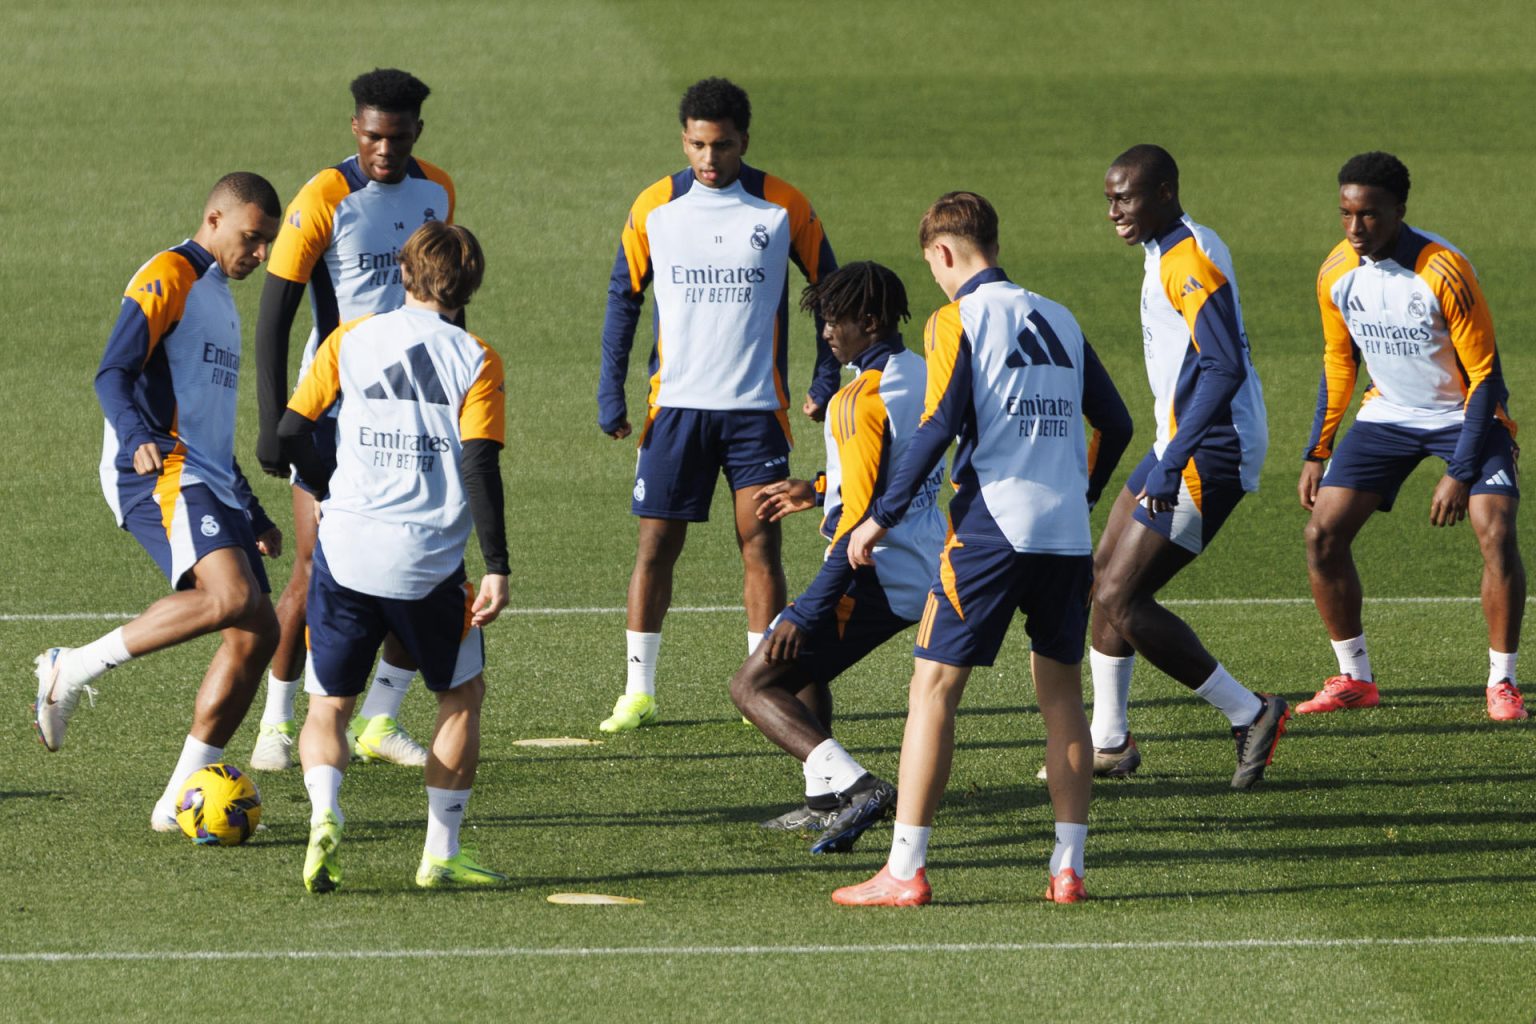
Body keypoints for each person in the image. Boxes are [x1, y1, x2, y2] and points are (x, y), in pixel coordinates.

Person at [831, 192, 1132, 907]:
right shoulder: (1059, 315)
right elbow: (1115, 424)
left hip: (992, 531)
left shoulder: (954, 319)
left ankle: (904, 870)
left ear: (942, 252)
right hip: (1065, 539)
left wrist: (878, 516)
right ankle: (1068, 870)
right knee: (1061, 698)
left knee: (933, 690)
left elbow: (936, 427)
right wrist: (1081, 498)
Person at [35, 172, 284, 832]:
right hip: (158, 467)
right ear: (214, 219)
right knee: (232, 599)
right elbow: (112, 371)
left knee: (260, 631)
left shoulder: (223, 299)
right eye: (252, 238)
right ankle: (71, 668)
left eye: (268, 244)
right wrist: (140, 435)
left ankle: (177, 798)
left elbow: (207, 420)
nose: (260, 254)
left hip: (207, 473)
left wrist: (252, 508)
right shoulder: (171, 273)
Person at [596, 76, 839, 734]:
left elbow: (832, 288)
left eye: (723, 146)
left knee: (760, 546)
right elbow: (625, 297)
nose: (709, 159)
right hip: (673, 409)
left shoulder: (782, 205)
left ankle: (762, 682)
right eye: (698, 145)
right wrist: (609, 391)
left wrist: (825, 380)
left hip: (755, 412)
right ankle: (638, 690)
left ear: (744, 142)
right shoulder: (654, 207)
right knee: (654, 548)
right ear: (684, 139)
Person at [277, 221, 509, 892]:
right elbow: (478, 465)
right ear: (470, 285)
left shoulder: (350, 339)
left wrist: (326, 489)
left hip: (344, 552)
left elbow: (289, 432)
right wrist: (496, 563)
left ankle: (325, 813)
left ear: (402, 275)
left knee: (329, 707)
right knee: (460, 695)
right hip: (428, 564)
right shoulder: (477, 358)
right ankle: (439, 851)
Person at [251, 68, 457, 770]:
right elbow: (275, 314)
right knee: (313, 566)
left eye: (397, 137)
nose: (384, 149)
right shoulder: (324, 197)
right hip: (334, 414)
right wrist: (274, 420)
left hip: (412, 414)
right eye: (372, 135)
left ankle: (378, 718)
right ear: (355, 128)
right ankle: (276, 723)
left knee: (422, 561)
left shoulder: (438, 192)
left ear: (416, 133)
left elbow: (447, 298)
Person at [1084, 144, 1287, 788]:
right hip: (1180, 439)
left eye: (1127, 197)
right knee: (1102, 576)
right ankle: (1109, 741)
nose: (1114, 209)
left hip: (1210, 448)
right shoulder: (1165, 249)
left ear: (1165, 192)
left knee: (1122, 594)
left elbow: (1224, 365)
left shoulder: (1187, 257)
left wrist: (1175, 459)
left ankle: (1250, 711)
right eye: (1110, 197)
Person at [1298, 151, 1525, 721]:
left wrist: (1459, 470)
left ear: (1399, 210)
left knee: (1494, 532)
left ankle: (1502, 684)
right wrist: (1317, 450)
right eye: (1346, 214)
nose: (1355, 229)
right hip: (1388, 417)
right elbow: (1338, 361)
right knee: (1321, 536)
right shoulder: (1336, 272)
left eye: (1369, 215)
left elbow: (1486, 379)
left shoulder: (1444, 269)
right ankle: (1355, 678)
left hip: (1465, 417)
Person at [730, 262, 941, 854]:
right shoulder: (923, 374)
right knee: (807, 670)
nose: (826, 332)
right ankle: (825, 800)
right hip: (926, 557)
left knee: (753, 685)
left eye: (834, 320)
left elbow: (858, 524)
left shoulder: (856, 399)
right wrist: (818, 489)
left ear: (868, 321)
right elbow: (899, 473)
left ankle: (858, 787)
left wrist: (805, 610)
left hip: (873, 571)